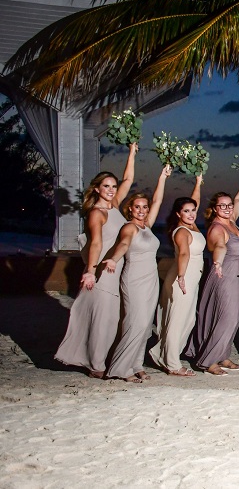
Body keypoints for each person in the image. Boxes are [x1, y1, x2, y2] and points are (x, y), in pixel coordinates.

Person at [55, 143, 137, 378]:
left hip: (117, 268)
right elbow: (97, 244)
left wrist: (131, 151)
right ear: (97, 189)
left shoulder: (114, 206)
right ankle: (96, 365)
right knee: (103, 319)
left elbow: (128, 180)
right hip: (102, 270)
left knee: (112, 318)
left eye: (113, 186)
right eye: (106, 186)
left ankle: (99, 359)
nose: (111, 190)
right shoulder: (96, 213)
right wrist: (91, 271)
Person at [104, 165, 171, 383]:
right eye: (137, 207)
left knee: (145, 326)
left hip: (151, 280)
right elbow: (123, 244)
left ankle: (136, 364)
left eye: (144, 207)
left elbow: (159, 202)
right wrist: (113, 259)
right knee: (135, 323)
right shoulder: (129, 228)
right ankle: (120, 368)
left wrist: (162, 177)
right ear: (129, 210)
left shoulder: (147, 226)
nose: (142, 210)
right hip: (134, 279)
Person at [186, 180, 239, 376]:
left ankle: (223, 354)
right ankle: (207, 360)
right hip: (225, 276)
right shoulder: (217, 228)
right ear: (215, 209)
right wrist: (217, 262)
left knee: (235, 317)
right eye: (222, 205)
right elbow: (220, 246)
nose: (226, 208)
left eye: (229, 205)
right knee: (227, 317)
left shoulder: (232, 221)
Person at [148, 175, 205, 376]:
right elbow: (183, 254)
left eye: (193, 210)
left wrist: (198, 183)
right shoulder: (181, 231)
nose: (191, 214)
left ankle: (162, 354)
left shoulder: (192, 225)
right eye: (186, 211)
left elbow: (194, 202)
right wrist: (181, 277)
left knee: (187, 320)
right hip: (183, 277)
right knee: (178, 320)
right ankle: (172, 364)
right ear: (178, 214)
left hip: (192, 277)